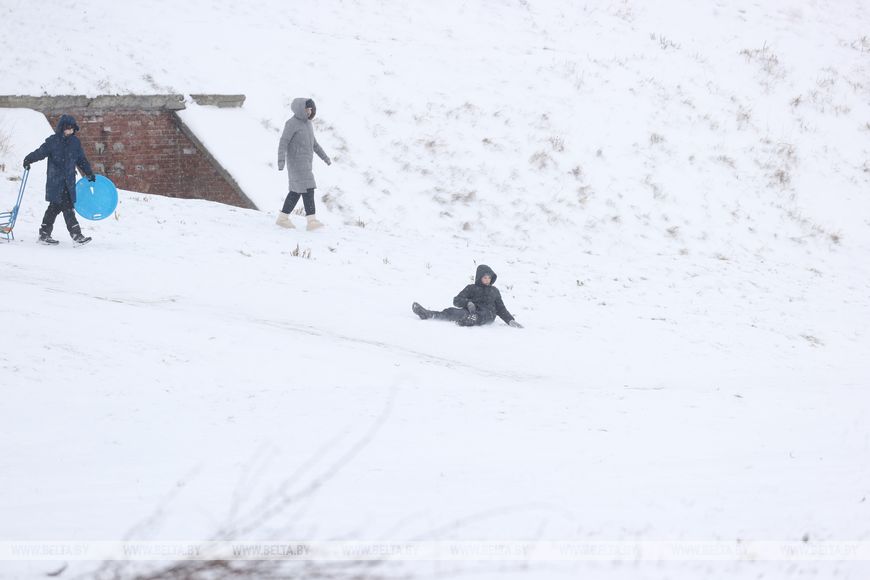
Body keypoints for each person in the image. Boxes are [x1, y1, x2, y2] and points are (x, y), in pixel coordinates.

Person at [23, 114, 96, 245]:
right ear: (62, 127)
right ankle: (76, 235)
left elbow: (81, 159)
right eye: (68, 128)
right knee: (67, 207)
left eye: (72, 128)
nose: (70, 130)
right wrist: (29, 159)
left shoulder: (75, 142)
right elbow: (40, 153)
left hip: (69, 182)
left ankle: (44, 234)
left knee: (54, 207)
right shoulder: (53, 141)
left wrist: (89, 172)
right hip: (55, 181)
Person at [276, 98, 332, 231]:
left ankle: (282, 218)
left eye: (311, 109)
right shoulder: (291, 123)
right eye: (307, 109)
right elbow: (283, 142)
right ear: (300, 109)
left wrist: (325, 158)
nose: (309, 112)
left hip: (306, 164)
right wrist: (281, 161)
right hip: (296, 164)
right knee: (308, 189)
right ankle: (311, 221)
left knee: (296, 191)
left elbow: (314, 144)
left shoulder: (308, 124)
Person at [412, 264, 524, 328]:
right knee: (453, 311)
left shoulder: (494, 291)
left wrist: (510, 320)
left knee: (484, 314)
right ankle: (429, 314)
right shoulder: (471, 288)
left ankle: (471, 320)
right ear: (479, 277)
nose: (487, 280)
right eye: (485, 277)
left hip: (488, 314)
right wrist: (468, 302)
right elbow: (456, 300)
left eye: (489, 278)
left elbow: (501, 308)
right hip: (471, 312)